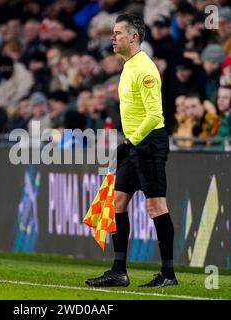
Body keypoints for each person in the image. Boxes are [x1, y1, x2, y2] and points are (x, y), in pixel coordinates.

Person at [85, 14, 178, 288]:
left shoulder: (144, 69)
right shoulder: (129, 66)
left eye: (117, 33)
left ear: (133, 37)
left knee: (155, 205)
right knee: (117, 202)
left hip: (149, 142)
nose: (112, 38)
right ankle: (119, 271)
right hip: (137, 143)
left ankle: (169, 274)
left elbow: (154, 114)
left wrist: (129, 141)